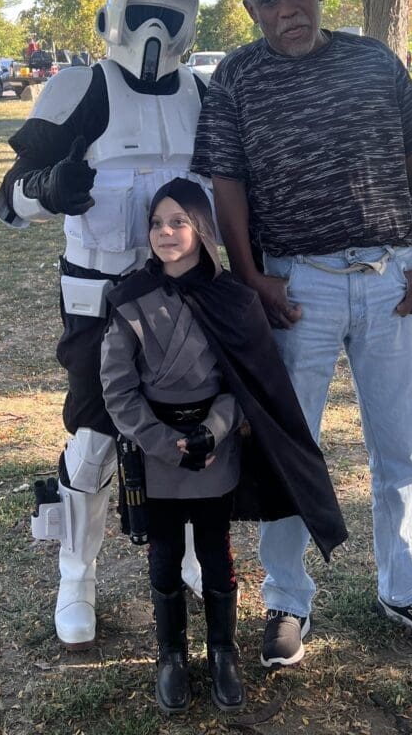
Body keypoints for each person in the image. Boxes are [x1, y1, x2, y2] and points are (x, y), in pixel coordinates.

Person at [191, 0, 412, 666]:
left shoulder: (375, 62)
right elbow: (227, 185)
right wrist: (252, 277)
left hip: (389, 280)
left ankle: (405, 589)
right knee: (289, 448)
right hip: (297, 288)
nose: (287, 9)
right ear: (251, 9)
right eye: (268, 0)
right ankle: (286, 601)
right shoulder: (235, 79)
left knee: (400, 450)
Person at [0, 0, 209, 651]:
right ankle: (75, 576)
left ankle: (194, 558)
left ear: (189, 23)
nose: (155, 29)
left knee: (189, 429)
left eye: (170, 15)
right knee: (92, 447)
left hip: (182, 298)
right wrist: (47, 189)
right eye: (143, 11)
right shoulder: (79, 88)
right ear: (114, 13)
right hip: (98, 299)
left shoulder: (202, 95)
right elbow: (9, 199)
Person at [99, 178, 347, 713]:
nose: (166, 233)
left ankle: (221, 652)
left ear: (202, 230)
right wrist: (165, 442)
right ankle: (170, 655)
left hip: (215, 449)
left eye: (179, 222)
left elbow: (251, 381)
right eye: (157, 223)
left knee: (216, 553)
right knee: (164, 557)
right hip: (157, 454)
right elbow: (118, 390)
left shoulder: (235, 298)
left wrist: (213, 430)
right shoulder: (127, 299)